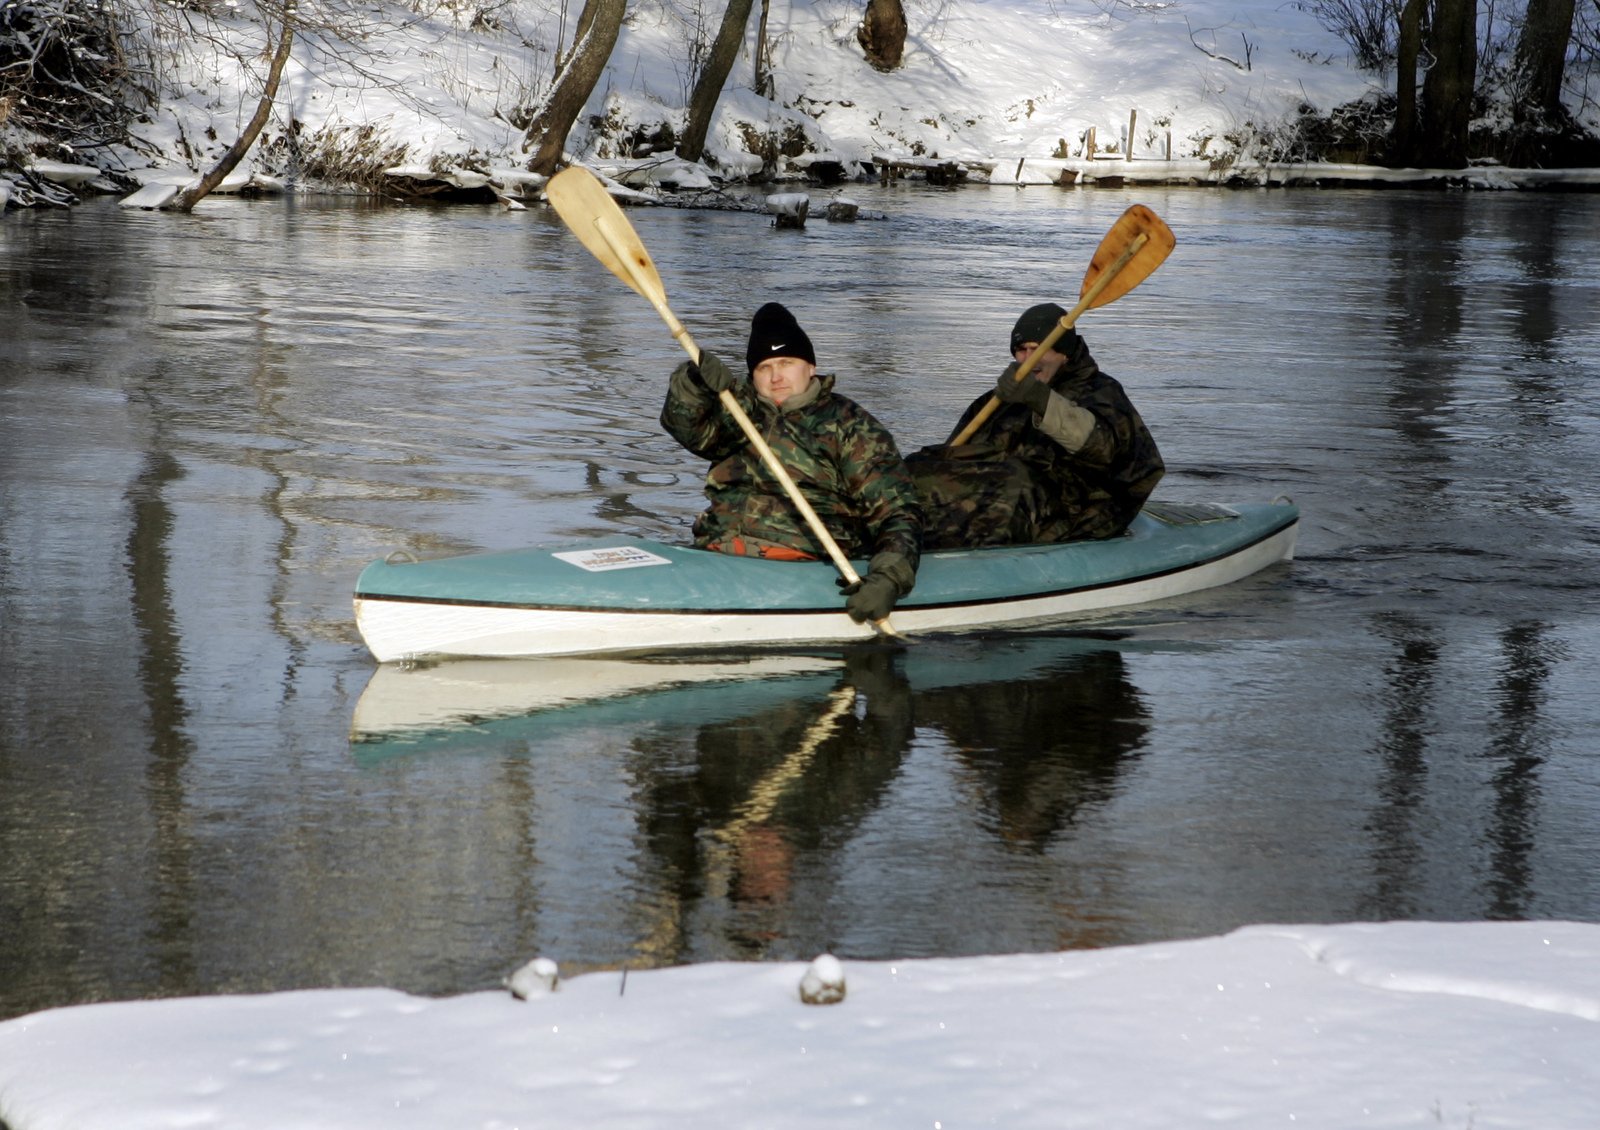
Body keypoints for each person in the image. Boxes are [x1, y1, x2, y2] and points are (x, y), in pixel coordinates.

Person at [660, 301, 923, 624]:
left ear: (810, 367)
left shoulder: (850, 425)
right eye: (764, 368)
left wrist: (889, 578)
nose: (775, 377)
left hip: (803, 561)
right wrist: (693, 383)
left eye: (786, 363)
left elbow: (896, 511)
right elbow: (686, 427)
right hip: (719, 551)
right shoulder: (738, 413)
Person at [907, 302, 1164, 548]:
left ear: (1064, 354)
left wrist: (1039, 400)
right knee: (914, 469)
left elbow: (1101, 447)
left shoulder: (1101, 392)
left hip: (1075, 512)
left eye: (1041, 349)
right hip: (1002, 502)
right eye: (1022, 350)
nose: (1031, 359)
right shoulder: (996, 402)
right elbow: (957, 456)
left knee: (1011, 483)